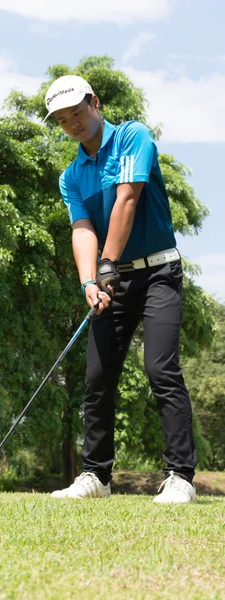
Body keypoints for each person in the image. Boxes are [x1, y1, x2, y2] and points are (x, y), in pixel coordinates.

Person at [44, 74, 197, 504]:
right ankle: (96, 475)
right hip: (113, 281)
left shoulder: (133, 135)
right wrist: (90, 280)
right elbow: (82, 228)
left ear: (94, 102)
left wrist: (107, 263)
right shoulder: (71, 176)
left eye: (77, 111)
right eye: (62, 118)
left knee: (160, 369)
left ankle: (180, 477)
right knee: (98, 377)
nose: (72, 122)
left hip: (159, 272)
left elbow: (128, 199)